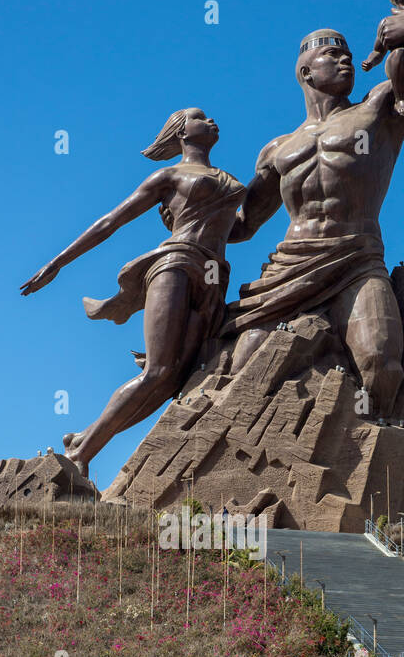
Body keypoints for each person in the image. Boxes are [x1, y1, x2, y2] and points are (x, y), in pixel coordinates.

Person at [224, 20, 404, 418]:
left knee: (382, 366)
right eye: (333, 55)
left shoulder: (381, 105)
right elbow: (243, 226)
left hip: (357, 258)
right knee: (243, 364)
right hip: (289, 268)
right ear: (306, 72)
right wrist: (189, 219)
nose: (346, 59)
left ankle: (364, 458)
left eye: (348, 54)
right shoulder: (277, 150)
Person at [20, 109, 244, 473]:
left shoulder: (230, 179)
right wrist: (58, 262)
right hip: (177, 263)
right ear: (181, 132)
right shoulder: (168, 175)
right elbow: (111, 220)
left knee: (172, 379)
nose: (212, 120)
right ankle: (80, 455)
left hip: (216, 276)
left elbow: (241, 228)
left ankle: (81, 437)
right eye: (201, 117)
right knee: (157, 370)